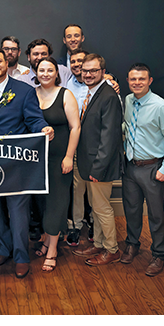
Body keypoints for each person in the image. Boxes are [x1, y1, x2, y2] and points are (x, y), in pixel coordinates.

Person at [0, 47, 54, 279]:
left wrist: (43, 128)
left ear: (6, 62)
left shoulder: (24, 90)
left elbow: (34, 118)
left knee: (18, 211)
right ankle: (3, 249)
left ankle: (21, 256)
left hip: (16, 161)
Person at [121, 63, 164, 277]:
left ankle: (158, 254)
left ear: (150, 81)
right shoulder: (128, 100)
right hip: (130, 166)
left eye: (141, 79)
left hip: (153, 167)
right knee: (132, 209)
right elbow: (128, 127)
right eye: (133, 79)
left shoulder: (161, 107)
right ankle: (132, 244)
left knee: (156, 215)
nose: (137, 83)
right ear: (128, 81)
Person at [71, 54, 124, 265]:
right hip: (90, 163)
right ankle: (99, 244)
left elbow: (109, 138)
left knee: (102, 208)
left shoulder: (109, 96)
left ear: (103, 72)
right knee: (96, 207)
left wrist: (98, 168)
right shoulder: (93, 93)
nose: (88, 74)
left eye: (93, 70)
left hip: (100, 166)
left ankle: (112, 249)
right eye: (85, 71)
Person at [34, 58, 80, 271]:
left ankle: (52, 249)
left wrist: (69, 156)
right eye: (41, 70)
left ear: (56, 73)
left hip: (59, 158)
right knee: (42, 202)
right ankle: (46, 239)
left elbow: (75, 127)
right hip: (36, 159)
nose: (45, 73)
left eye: (49, 70)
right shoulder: (31, 94)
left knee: (56, 202)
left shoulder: (65, 94)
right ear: (36, 71)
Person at [65, 49, 94, 246]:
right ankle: (75, 225)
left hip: (95, 146)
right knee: (76, 189)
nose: (77, 64)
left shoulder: (106, 85)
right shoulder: (68, 84)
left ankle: (94, 224)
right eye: (73, 61)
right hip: (74, 143)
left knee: (95, 188)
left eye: (80, 61)